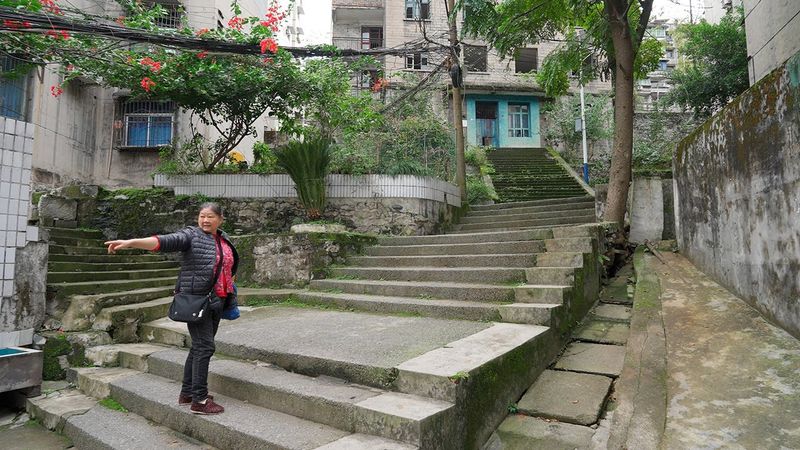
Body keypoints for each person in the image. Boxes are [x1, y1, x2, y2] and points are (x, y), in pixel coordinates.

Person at [104, 202, 238, 415]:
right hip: (197, 301)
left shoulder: (222, 239)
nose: (205, 220)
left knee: (198, 347)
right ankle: (200, 401)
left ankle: (188, 393)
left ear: (220, 219)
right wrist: (132, 243)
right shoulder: (191, 235)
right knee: (205, 347)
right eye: (202, 216)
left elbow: (226, 265)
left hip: (216, 301)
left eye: (210, 216)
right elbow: (166, 241)